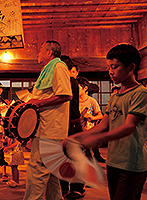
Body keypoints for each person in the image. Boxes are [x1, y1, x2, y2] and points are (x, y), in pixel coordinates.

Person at [65, 44, 147, 200]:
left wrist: (98, 139)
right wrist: (76, 137)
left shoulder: (140, 93)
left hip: (132, 164)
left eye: (115, 67)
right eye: (109, 67)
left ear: (131, 67)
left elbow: (129, 126)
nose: (110, 71)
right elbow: (104, 125)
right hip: (114, 161)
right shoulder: (115, 96)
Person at [23, 40, 72, 200]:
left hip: (50, 130)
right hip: (45, 128)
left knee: (36, 170)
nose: (38, 53)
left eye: (41, 50)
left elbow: (66, 94)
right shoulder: (48, 69)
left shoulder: (58, 66)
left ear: (50, 52)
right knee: (51, 174)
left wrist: (38, 103)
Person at [59, 55, 86, 199]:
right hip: (68, 124)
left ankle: (77, 188)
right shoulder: (68, 81)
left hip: (72, 124)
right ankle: (65, 188)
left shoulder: (70, 81)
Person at [77, 76, 106, 163]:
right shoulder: (75, 101)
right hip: (78, 128)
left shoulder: (91, 101)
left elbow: (100, 115)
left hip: (89, 128)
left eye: (77, 87)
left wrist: (92, 117)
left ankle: (96, 156)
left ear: (85, 88)